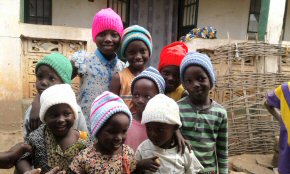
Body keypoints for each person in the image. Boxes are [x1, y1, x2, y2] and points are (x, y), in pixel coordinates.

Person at [70, 8, 125, 132]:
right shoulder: (82, 60)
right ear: (95, 37)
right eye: (102, 34)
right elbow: (57, 78)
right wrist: (38, 101)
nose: (108, 39)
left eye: (114, 34)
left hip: (111, 134)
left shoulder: (123, 69)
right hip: (84, 131)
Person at [16, 84, 88, 173]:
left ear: (74, 115)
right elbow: (22, 158)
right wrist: (27, 171)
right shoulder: (37, 137)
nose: (61, 120)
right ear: (44, 118)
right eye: (54, 115)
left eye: (66, 114)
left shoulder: (83, 138)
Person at [178, 52, 228, 174]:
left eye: (201, 78)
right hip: (183, 169)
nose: (195, 84)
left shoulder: (220, 113)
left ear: (211, 80)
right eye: (189, 81)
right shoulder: (177, 108)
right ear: (184, 84)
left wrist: (224, 171)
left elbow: (222, 149)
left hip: (208, 170)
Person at [69, 91, 136, 173]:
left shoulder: (128, 153)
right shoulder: (85, 158)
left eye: (124, 131)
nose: (119, 137)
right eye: (112, 132)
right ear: (97, 130)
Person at [135, 94, 204, 174]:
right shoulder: (143, 149)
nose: (153, 134)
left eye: (160, 129)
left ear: (175, 128)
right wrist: (139, 166)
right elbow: (130, 169)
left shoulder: (183, 151)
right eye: (148, 128)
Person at [24, 52, 88, 137]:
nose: (43, 82)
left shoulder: (76, 110)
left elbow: (85, 137)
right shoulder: (32, 111)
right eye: (40, 76)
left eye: (52, 78)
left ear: (64, 83)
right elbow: (27, 140)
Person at [110, 25, 152, 113]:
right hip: (125, 126)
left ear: (149, 52)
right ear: (125, 54)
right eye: (132, 52)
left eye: (142, 51)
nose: (138, 56)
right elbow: (111, 108)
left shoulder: (153, 76)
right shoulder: (118, 78)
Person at [124, 66, 165, 151]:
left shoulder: (161, 126)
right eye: (136, 95)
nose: (140, 100)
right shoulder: (126, 122)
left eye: (147, 96)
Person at [264, 82, 290, 174]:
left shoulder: (285, 89)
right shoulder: (285, 89)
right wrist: (281, 118)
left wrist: (281, 118)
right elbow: (267, 102)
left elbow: (267, 102)